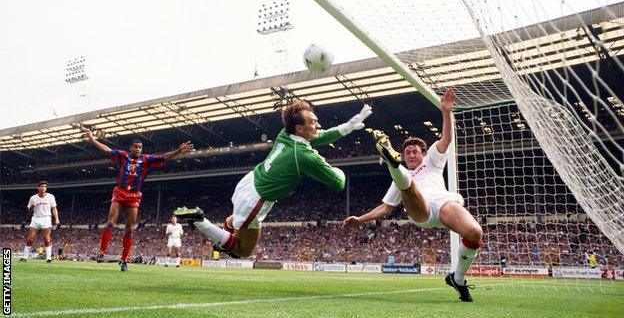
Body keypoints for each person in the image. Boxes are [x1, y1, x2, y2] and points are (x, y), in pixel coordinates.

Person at [175, 100, 372, 258]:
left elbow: (321, 136)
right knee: (242, 251)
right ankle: (199, 221)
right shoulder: (303, 155)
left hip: (249, 182)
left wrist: (348, 127)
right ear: (299, 128)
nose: (318, 125)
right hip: (255, 200)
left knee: (237, 224)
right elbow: (339, 183)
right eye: (313, 122)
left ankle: (230, 224)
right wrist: (339, 170)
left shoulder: (285, 133)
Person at [343, 89, 483, 302]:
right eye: (406, 152)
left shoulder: (433, 161)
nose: (410, 154)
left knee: (475, 233)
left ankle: (458, 279)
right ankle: (392, 163)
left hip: (443, 202)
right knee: (407, 185)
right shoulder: (403, 175)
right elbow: (386, 207)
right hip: (421, 210)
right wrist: (360, 219)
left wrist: (446, 112)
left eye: (414, 151)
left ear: (423, 154)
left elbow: (446, 139)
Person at [84, 129, 194, 271]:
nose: (138, 149)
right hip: (120, 192)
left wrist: (178, 151)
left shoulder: (146, 159)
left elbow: (163, 157)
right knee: (111, 221)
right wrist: (92, 139)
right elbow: (107, 150)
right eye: (135, 147)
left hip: (134, 196)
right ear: (131, 148)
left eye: (140, 147)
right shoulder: (123, 156)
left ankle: (123, 260)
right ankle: (102, 252)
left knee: (129, 228)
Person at [20, 181, 60, 263]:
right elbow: (29, 211)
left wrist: (56, 218)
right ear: (38, 188)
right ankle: (24, 257)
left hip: (46, 218)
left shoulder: (50, 197)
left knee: (46, 238)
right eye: (41, 186)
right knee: (31, 237)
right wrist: (32, 206)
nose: (43, 188)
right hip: (36, 218)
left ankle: (48, 258)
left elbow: (54, 208)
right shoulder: (33, 198)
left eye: (45, 186)